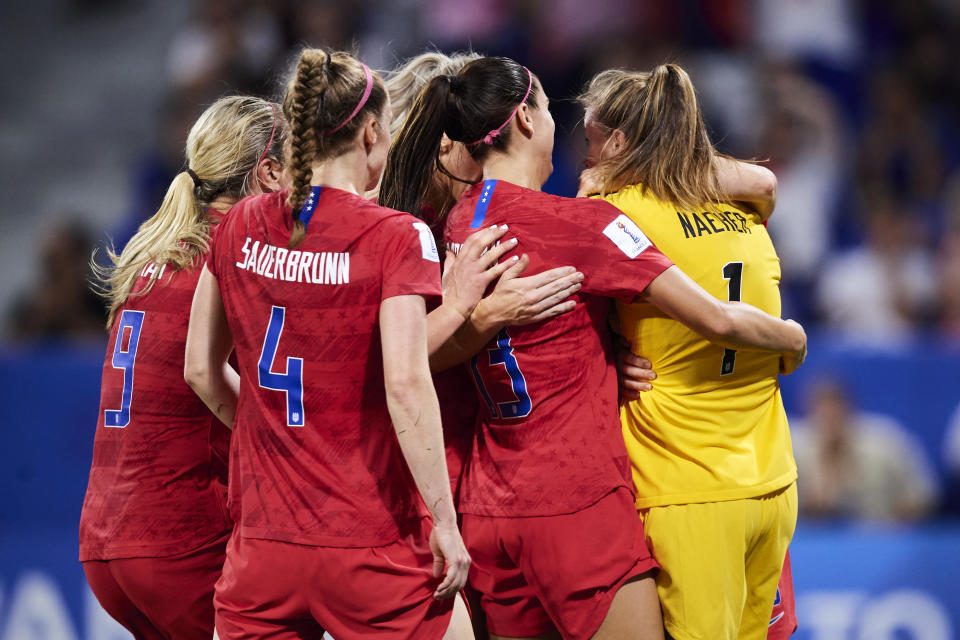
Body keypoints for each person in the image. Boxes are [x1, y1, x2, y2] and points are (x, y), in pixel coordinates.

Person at [380, 55, 806, 640]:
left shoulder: (454, 224)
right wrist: (791, 338)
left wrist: (603, 348)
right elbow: (715, 315)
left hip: (490, 509)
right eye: (551, 109)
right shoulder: (586, 224)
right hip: (578, 502)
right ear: (527, 120)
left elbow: (414, 358)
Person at [184, 48, 474, 638]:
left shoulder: (239, 222)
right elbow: (406, 383)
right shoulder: (398, 236)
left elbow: (199, 369)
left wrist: (281, 441)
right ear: (370, 131)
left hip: (262, 548)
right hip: (368, 542)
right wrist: (445, 522)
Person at [577, 64, 801, 640]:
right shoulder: (747, 207)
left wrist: (605, 362)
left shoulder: (616, 213)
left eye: (589, 140)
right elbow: (764, 182)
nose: (584, 157)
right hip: (772, 480)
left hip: (688, 490)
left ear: (620, 142)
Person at [79, 95, 287, 639]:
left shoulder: (153, 257)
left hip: (105, 541)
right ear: (268, 173)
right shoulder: (236, 254)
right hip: (179, 536)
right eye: (302, 166)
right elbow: (206, 373)